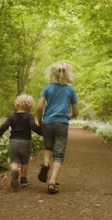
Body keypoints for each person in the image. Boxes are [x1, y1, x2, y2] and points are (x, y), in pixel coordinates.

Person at [36, 62, 79, 194]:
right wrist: (68, 116)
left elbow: (39, 107)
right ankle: (52, 182)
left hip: (48, 122)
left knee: (48, 146)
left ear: (52, 74)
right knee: (59, 154)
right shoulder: (70, 90)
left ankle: (46, 163)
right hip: (62, 123)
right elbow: (76, 112)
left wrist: (40, 122)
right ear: (67, 74)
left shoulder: (47, 89)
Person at [0, 94, 43, 191]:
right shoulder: (29, 116)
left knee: (14, 160)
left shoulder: (12, 116)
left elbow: (4, 126)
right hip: (25, 142)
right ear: (30, 106)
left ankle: (14, 170)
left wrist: (0, 134)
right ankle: (23, 180)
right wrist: (42, 133)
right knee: (24, 162)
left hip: (13, 141)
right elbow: (34, 127)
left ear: (17, 104)